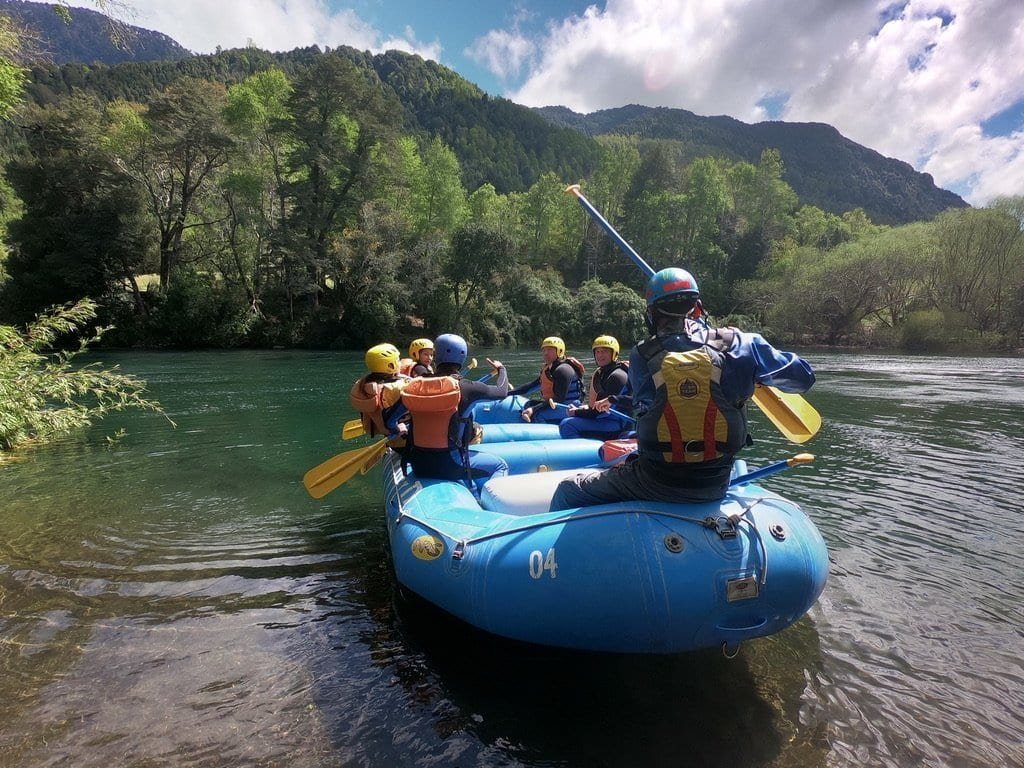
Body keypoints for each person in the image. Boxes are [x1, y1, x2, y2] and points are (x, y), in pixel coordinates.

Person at [549, 267, 815, 511]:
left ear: (651, 314)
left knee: (568, 491)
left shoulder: (643, 355)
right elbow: (804, 377)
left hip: (654, 480)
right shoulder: (743, 344)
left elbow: (645, 408)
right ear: (698, 308)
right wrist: (751, 373)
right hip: (715, 482)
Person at [390, 333, 511, 491]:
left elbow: (390, 420)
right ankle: (495, 508)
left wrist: (398, 428)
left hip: (418, 464)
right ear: (462, 357)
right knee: (500, 466)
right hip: (449, 464)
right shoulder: (467, 387)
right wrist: (501, 370)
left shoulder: (414, 386)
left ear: (436, 356)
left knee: (470, 484)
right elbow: (502, 392)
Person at [558, 335, 634, 440]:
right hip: (605, 419)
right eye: (597, 352)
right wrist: (586, 408)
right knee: (572, 416)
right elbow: (599, 405)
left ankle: (586, 453)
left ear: (614, 354)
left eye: (605, 351)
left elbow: (601, 411)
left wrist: (576, 412)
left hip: (617, 425)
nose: (600, 355)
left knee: (567, 424)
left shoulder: (617, 376)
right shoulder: (602, 373)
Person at [510, 336, 585, 424]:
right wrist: (508, 393)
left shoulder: (563, 370)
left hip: (569, 406)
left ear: (560, 351)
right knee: (528, 404)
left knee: (537, 414)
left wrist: (534, 409)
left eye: (550, 350)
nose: (545, 353)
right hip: (557, 404)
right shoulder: (550, 369)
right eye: (544, 350)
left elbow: (559, 398)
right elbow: (530, 387)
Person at [349, 343, 410, 439]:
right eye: (397, 360)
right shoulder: (396, 387)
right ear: (390, 365)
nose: (400, 363)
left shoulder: (363, 385)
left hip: (386, 432)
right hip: (403, 433)